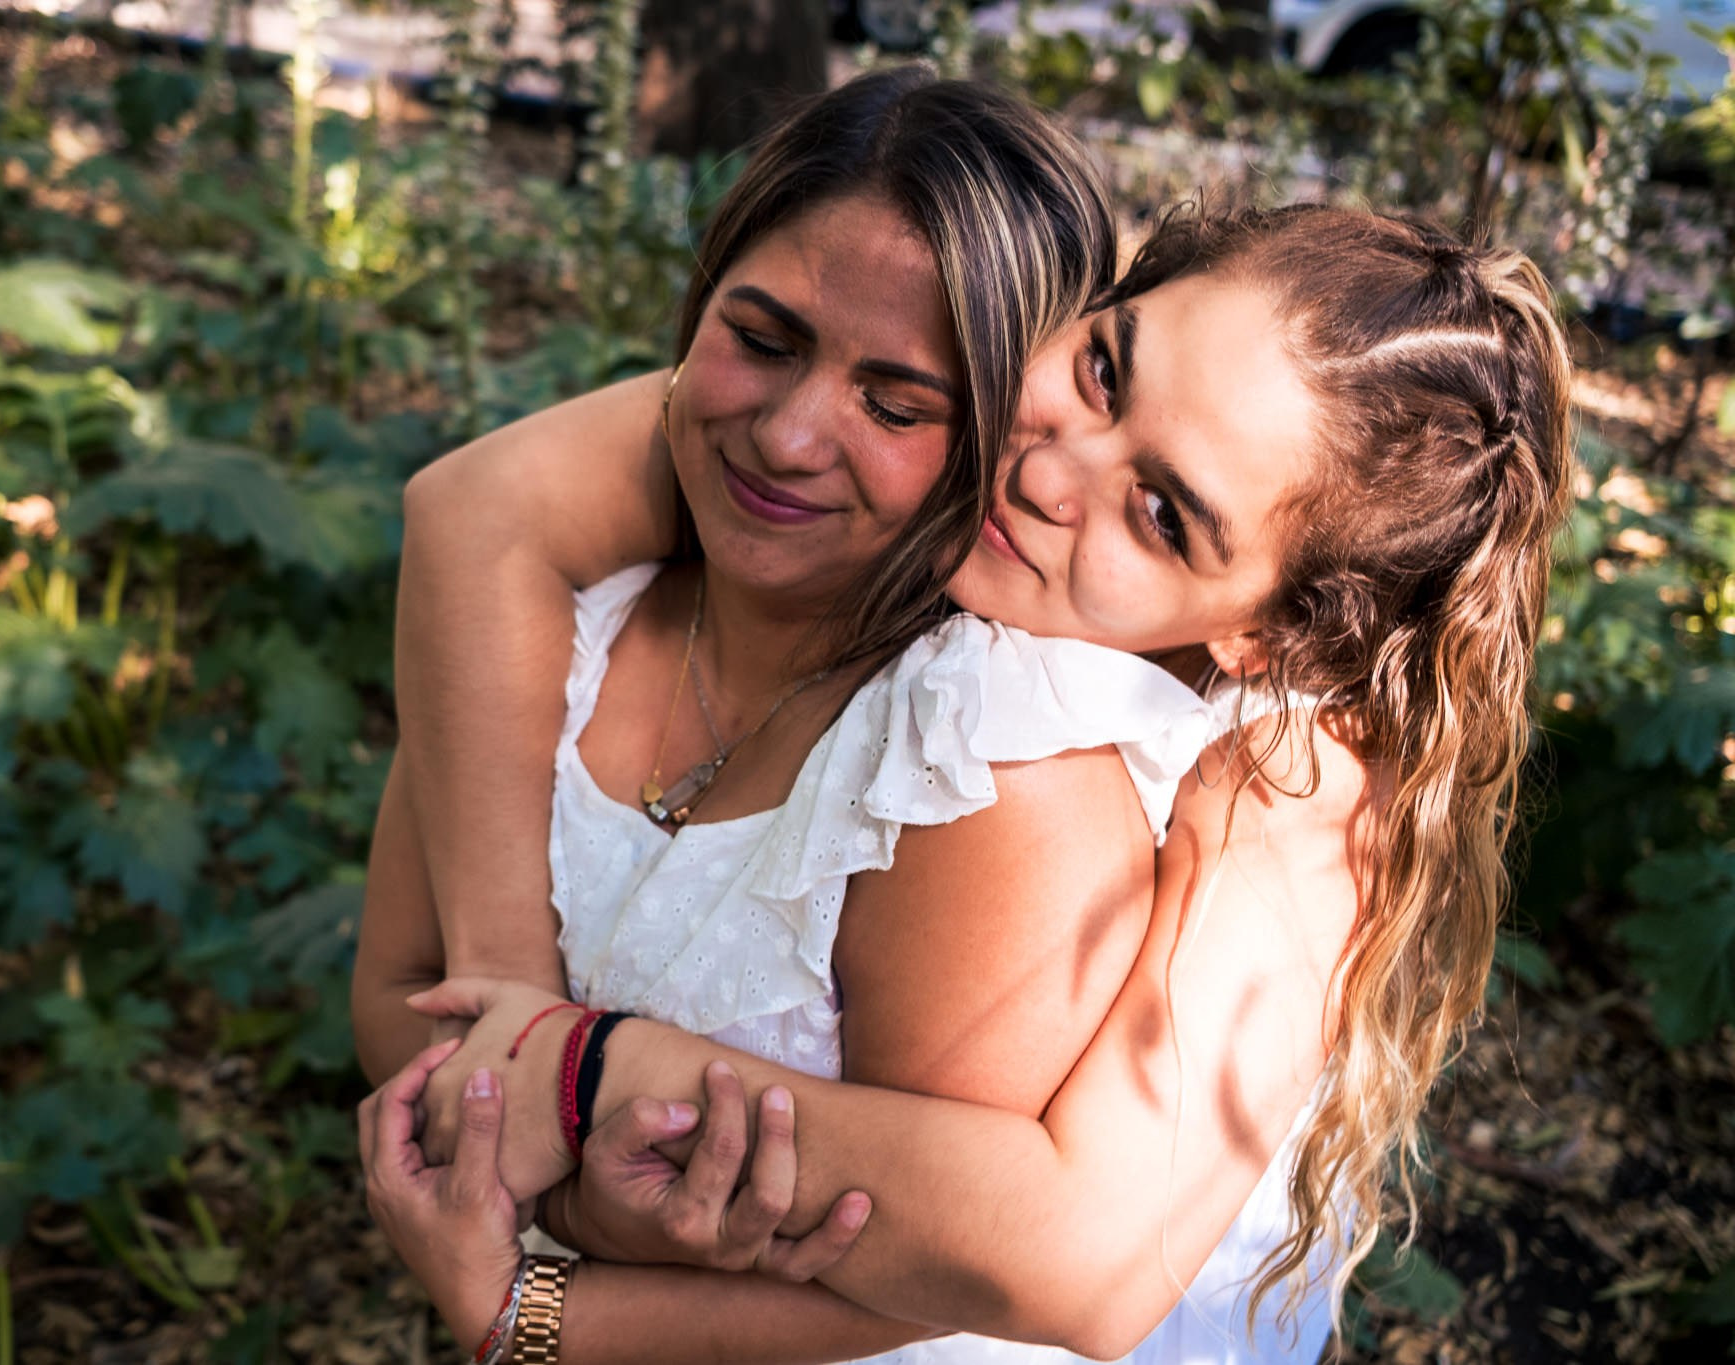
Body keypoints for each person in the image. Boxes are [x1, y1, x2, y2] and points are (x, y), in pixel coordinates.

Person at [356, 79, 1575, 1365]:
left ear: (1262, 633)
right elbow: (476, 506)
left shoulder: (1286, 786)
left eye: (1162, 514)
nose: (1047, 474)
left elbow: (1075, 1263)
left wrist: (577, 1099)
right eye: (1102, 370)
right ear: (1099, 302)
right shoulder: (844, 420)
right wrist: (508, 1038)